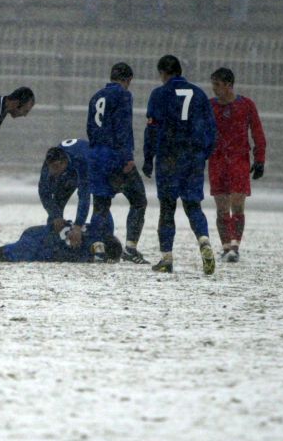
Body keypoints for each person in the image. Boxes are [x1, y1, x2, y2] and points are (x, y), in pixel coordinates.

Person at [142, 54, 217, 275]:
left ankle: (166, 258)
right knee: (193, 205)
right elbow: (211, 129)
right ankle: (204, 242)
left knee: (167, 208)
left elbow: (152, 129)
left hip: (168, 157)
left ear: (163, 73)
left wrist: (148, 158)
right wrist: (203, 154)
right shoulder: (199, 94)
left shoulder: (158, 94)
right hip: (192, 157)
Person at [85, 62, 148, 264]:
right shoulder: (123, 95)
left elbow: (90, 128)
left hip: (96, 154)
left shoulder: (96, 96)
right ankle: (130, 248)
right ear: (127, 80)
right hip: (115, 154)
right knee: (138, 199)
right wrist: (127, 156)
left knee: (101, 205)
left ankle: (98, 249)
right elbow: (123, 126)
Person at [207, 68, 266, 261]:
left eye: (217, 85)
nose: (214, 89)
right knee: (222, 207)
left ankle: (235, 246)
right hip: (217, 161)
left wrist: (260, 160)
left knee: (238, 205)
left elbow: (257, 133)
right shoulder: (209, 106)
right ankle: (226, 247)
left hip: (238, 160)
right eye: (213, 84)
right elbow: (200, 133)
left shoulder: (246, 105)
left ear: (229, 85)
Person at [38, 138, 92, 247]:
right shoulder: (50, 162)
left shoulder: (81, 162)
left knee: (102, 204)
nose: (53, 172)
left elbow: (84, 197)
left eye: (56, 167)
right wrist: (56, 216)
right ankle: (53, 245)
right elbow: (44, 192)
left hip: (92, 166)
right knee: (55, 211)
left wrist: (78, 226)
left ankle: (100, 239)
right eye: (51, 168)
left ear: (64, 162)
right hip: (69, 169)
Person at [0, 224, 122, 264]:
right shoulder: (96, 242)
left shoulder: (92, 230)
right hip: (43, 242)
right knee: (9, 255)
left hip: (42, 236)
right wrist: (103, 259)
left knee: (7, 253)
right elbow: (98, 248)